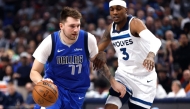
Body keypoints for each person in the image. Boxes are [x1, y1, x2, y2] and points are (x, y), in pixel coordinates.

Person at [30, 7, 126, 109]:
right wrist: (42, 82)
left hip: (77, 91)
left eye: (78, 26)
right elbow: (34, 71)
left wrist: (113, 82)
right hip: (55, 88)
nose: (76, 30)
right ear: (61, 26)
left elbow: (99, 64)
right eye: (72, 26)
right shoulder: (50, 42)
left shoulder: (88, 39)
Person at [93, 0, 161, 109]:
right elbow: (95, 51)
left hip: (144, 78)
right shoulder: (110, 29)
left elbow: (156, 41)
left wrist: (151, 55)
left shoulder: (134, 23)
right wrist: (100, 53)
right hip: (124, 75)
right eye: (112, 9)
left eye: (118, 9)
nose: (115, 12)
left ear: (126, 10)